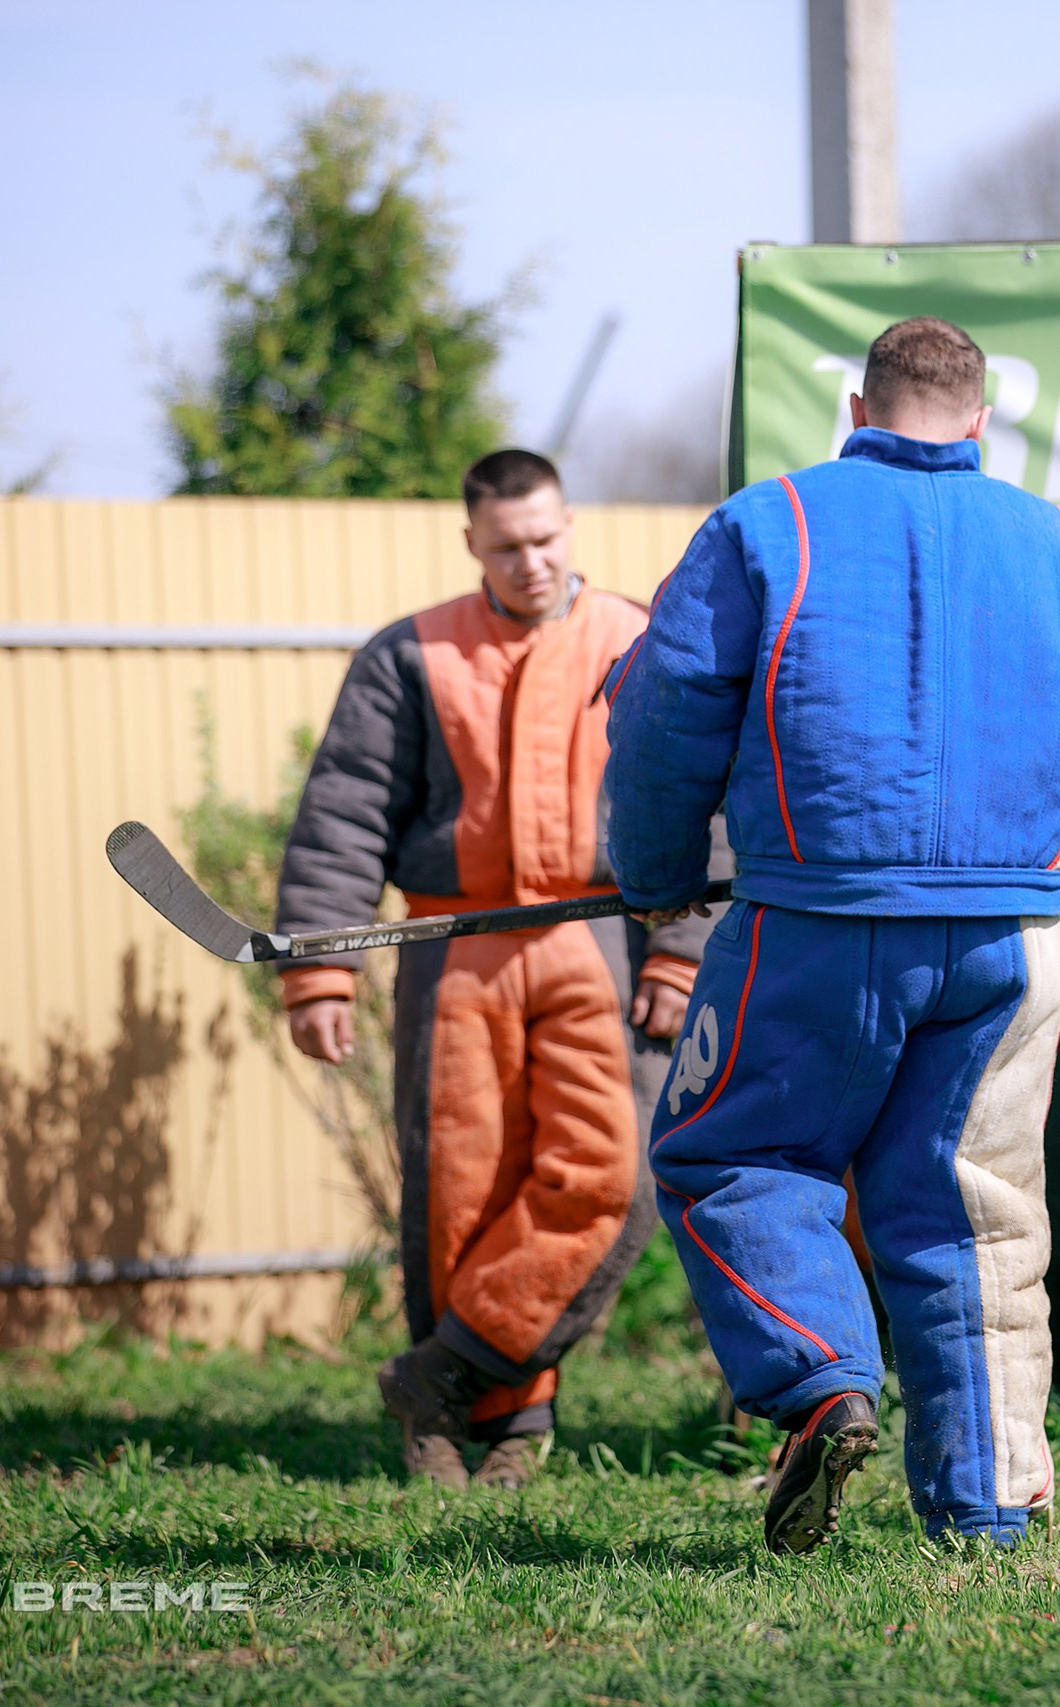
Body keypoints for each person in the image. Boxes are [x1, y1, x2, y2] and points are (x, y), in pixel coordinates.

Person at [600, 316, 1060, 1553]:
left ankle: (819, 1378)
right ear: (980, 419)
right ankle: (987, 1506)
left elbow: (664, 716)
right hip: (1008, 940)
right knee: (975, 1212)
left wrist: (655, 877)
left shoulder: (764, 525)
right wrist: (1041, 854)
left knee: (735, 1157)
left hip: (808, 923)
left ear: (857, 411)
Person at [276, 448, 715, 1490]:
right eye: (508, 545)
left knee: (611, 1181)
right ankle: (487, 1427)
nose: (531, 561)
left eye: (546, 538)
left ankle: (439, 1374)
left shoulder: (638, 640)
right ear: (471, 540)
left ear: (571, 526)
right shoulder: (408, 655)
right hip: (451, 950)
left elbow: (703, 800)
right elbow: (345, 815)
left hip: (602, 944)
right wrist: (320, 971)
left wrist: (680, 952)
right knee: (458, 1190)